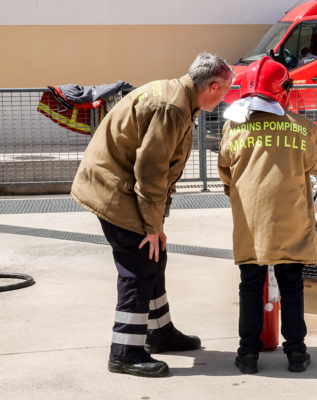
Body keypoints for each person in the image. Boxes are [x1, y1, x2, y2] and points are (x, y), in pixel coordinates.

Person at [71, 52, 234, 378]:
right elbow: (152, 174)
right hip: (115, 191)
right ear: (212, 86)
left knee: (154, 257)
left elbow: (162, 172)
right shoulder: (172, 108)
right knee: (138, 267)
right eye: (226, 90)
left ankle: (160, 332)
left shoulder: (180, 98)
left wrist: (157, 225)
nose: (227, 96)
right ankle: (125, 352)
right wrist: (151, 225)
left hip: (119, 185)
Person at [218, 56, 317, 374]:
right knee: (291, 285)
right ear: (284, 91)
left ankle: (247, 355)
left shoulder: (234, 128)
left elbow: (225, 173)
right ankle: (296, 353)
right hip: (291, 222)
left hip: (251, 222)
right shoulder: (303, 128)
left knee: (250, 286)